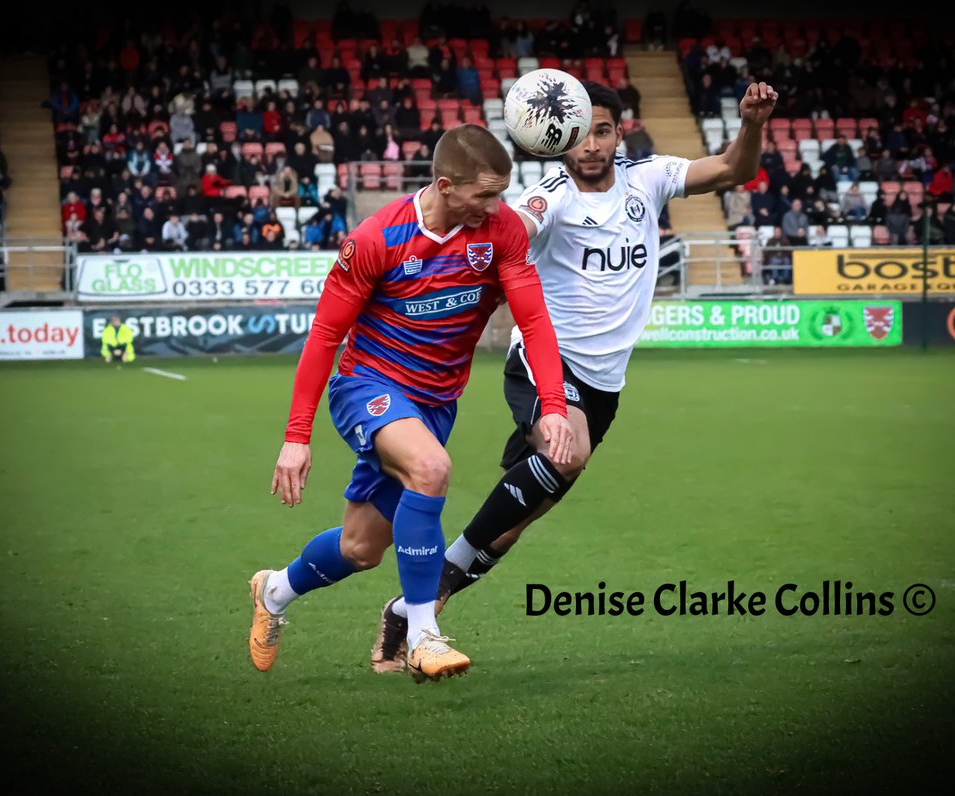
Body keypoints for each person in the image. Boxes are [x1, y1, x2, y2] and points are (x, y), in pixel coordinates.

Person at [371, 80, 780, 671]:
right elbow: (513, 231)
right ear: (559, 140)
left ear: (621, 132)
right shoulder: (550, 198)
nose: (592, 144)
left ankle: (411, 608)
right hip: (544, 362)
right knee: (568, 453)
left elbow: (731, 170)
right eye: (582, 133)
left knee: (509, 529)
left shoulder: (651, 178)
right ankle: (422, 610)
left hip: (604, 385)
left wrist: (752, 124)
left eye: (604, 130)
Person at [247, 125, 576, 684]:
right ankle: (423, 635)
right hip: (366, 385)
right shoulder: (378, 237)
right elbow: (325, 335)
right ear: (446, 186)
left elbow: (534, 319)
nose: (497, 207)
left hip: (434, 403)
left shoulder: (500, 233)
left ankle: (272, 590)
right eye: (485, 196)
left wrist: (554, 404)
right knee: (431, 469)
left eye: (501, 194)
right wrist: (296, 437)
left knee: (360, 548)